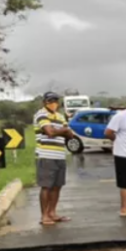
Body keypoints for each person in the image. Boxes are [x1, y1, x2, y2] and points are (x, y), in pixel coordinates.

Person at [33, 92, 76, 226]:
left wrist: (60, 131)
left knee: (57, 186)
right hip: (46, 155)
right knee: (46, 186)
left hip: (60, 155)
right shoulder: (41, 115)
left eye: (55, 100)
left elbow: (71, 135)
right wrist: (62, 130)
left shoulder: (59, 116)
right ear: (44, 102)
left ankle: (52, 212)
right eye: (50, 101)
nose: (53, 103)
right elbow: (50, 132)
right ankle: (44, 215)